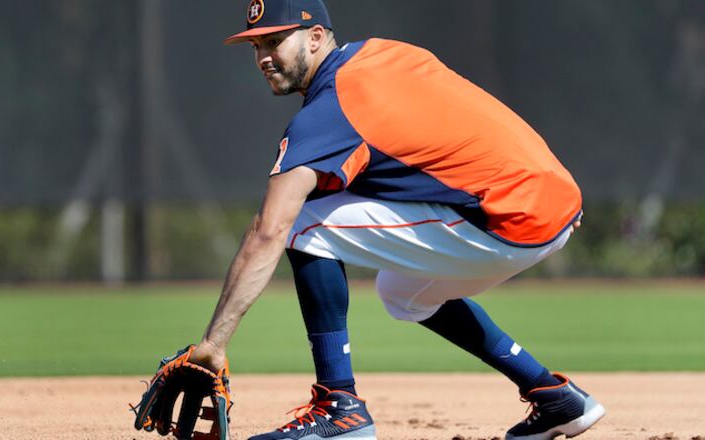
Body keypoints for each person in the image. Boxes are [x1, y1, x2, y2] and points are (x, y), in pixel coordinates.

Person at [188, 0, 606, 439]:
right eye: (256, 46)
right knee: (402, 293)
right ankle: (552, 395)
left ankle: (339, 406)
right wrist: (550, 185)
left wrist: (213, 345)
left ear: (315, 38)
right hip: (548, 199)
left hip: (511, 217)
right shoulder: (384, 53)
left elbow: (268, 230)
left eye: (275, 41)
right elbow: (471, 119)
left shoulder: (327, 113)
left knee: (300, 223)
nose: (263, 57)